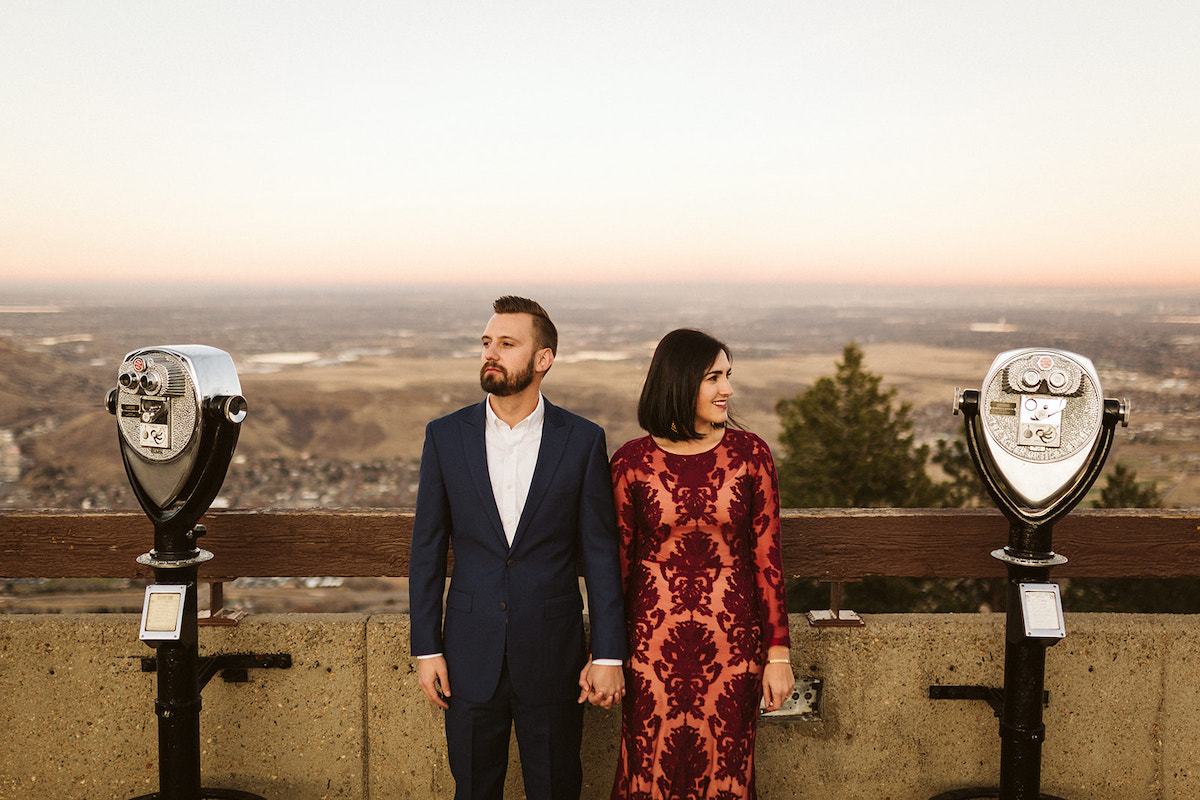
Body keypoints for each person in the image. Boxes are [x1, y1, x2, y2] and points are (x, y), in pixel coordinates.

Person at [409, 295, 626, 800]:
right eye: (487, 343)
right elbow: (426, 548)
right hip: (467, 652)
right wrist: (427, 647)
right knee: (473, 789)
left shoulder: (582, 440)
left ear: (543, 359)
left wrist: (609, 653)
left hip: (553, 655)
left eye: (507, 343)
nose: (492, 353)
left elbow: (599, 552)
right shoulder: (445, 436)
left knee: (555, 787)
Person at [609, 328, 793, 800]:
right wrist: (605, 653)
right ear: (680, 381)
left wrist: (779, 656)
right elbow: (617, 570)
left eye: (728, 376)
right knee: (648, 771)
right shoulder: (631, 461)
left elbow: (768, 560)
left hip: (734, 651)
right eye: (714, 377)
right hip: (650, 651)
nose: (727, 389)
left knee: (726, 777)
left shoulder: (751, 455)